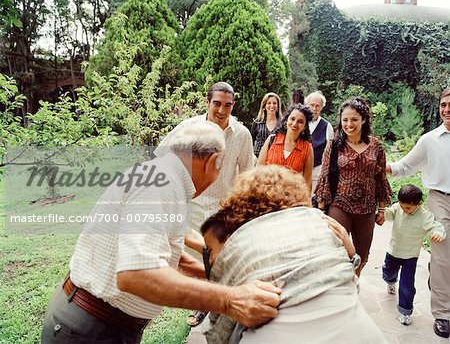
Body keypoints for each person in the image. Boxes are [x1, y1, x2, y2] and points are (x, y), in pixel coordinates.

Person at [41, 123, 281, 344]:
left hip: (100, 324)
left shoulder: (163, 177)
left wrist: (221, 274)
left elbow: (166, 254)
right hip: (93, 328)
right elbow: (137, 274)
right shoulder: (160, 185)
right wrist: (231, 299)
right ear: (212, 161)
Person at [200, 165, 386, 344]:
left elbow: (221, 321)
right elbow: (347, 287)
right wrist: (351, 254)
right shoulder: (320, 223)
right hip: (361, 335)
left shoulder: (241, 241)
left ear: (239, 207)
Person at [154, 81, 254, 327]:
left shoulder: (241, 134)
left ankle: (222, 302)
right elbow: (160, 155)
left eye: (227, 105)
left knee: (222, 258)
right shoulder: (189, 128)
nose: (221, 110)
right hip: (194, 203)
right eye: (217, 104)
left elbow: (247, 173)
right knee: (199, 258)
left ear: (233, 106)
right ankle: (204, 305)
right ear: (207, 102)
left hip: (223, 208)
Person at [386, 87, 450, 338]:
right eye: (444, 104)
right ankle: (444, 313)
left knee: (442, 263)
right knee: (444, 256)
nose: (447, 109)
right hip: (440, 200)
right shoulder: (430, 139)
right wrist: (382, 167)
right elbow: (406, 165)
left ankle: (437, 279)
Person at [315, 97, 392, 276]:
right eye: (345, 120)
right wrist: (321, 208)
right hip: (339, 205)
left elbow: (380, 178)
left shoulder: (376, 146)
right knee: (338, 253)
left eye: (354, 119)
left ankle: (353, 283)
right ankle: (339, 289)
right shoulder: (334, 145)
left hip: (366, 209)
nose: (349, 124)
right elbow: (325, 176)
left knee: (362, 255)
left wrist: (381, 209)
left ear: (363, 120)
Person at [380, 185, 446, 326]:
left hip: (410, 256)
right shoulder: (398, 208)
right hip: (393, 251)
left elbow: (436, 226)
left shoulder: (425, 216)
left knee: (407, 285)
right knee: (388, 272)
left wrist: (438, 233)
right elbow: (389, 213)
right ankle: (390, 281)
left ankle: (405, 311)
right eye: (402, 206)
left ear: (419, 204)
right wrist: (381, 214)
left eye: (408, 208)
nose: (404, 210)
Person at [257, 104, 314, 192]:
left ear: (305, 126)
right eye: (292, 119)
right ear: (286, 120)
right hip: (266, 196)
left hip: (292, 200)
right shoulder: (272, 140)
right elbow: (259, 169)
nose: (295, 124)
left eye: (300, 121)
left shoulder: (307, 149)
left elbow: (307, 182)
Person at [304, 91, 333, 192]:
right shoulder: (300, 122)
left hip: (317, 172)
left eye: (317, 106)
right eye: (312, 105)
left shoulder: (327, 126)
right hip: (299, 171)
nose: (314, 109)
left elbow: (330, 151)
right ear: (307, 105)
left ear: (321, 107)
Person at [250, 92, 282, 157]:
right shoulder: (257, 123)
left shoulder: (282, 124)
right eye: (269, 103)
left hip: (275, 160)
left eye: (274, 103)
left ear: (278, 106)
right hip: (258, 159)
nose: (272, 106)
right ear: (264, 106)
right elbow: (250, 143)